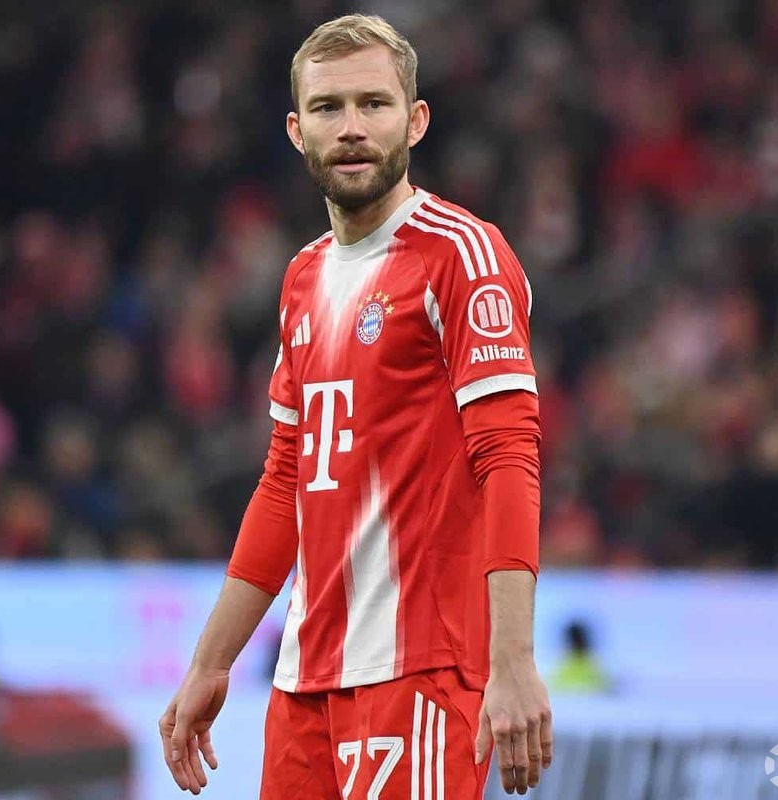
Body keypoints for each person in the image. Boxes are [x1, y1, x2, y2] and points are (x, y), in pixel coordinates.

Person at [159, 14, 551, 798]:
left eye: (374, 104)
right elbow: (287, 481)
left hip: (423, 668)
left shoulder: (462, 255)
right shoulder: (304, 277)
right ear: (297, 131)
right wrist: (211, 661)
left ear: (416, 120)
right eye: (329, 108)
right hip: (306, 681)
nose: (351, 128)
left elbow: (509, 454)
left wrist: (512, 659)